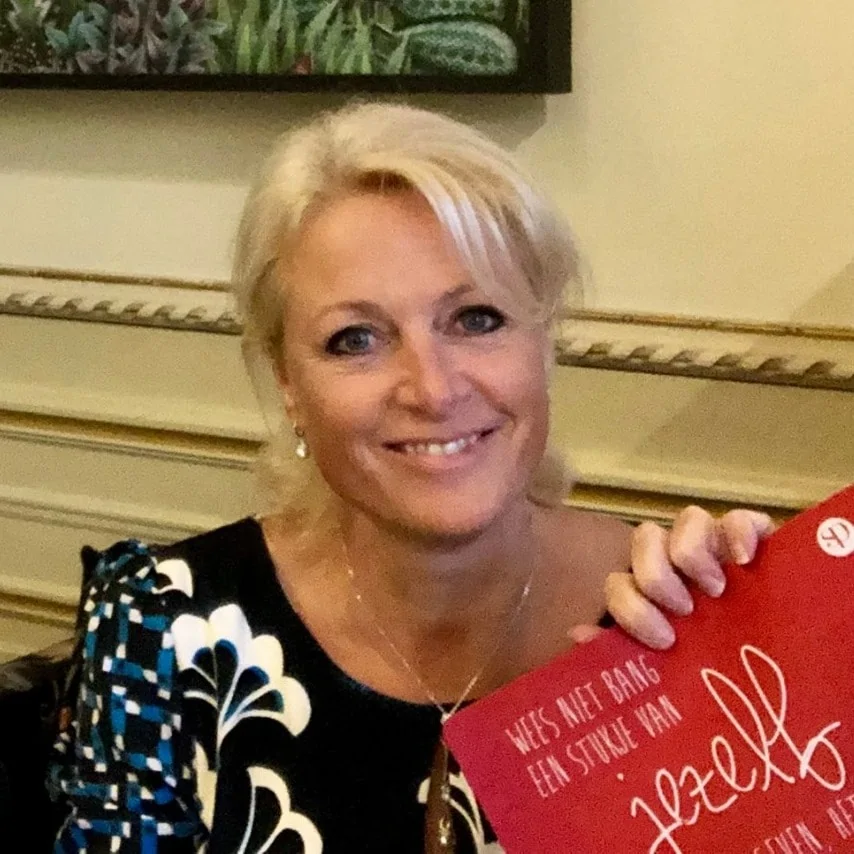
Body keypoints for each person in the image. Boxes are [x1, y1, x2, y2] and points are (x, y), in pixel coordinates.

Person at [51, 103, 773, 853]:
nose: (433, 389)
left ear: (543, 344)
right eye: (355, 339)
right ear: (288, 384)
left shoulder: (673, 614)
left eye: (477, 319)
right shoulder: (158, 629)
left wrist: (771, 631)